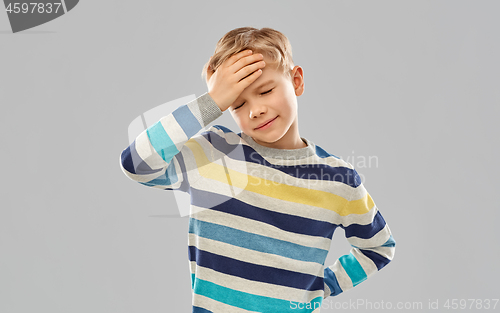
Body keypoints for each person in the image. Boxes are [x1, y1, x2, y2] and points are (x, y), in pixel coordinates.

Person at [119, 26, 396, 313]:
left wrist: (321, 285)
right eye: (237, 104)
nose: (255, 110)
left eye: (266, 91)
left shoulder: (338, 179)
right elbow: (137, 164)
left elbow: (379, 248)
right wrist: (211, 103)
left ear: (296, 81)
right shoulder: (214, 154)